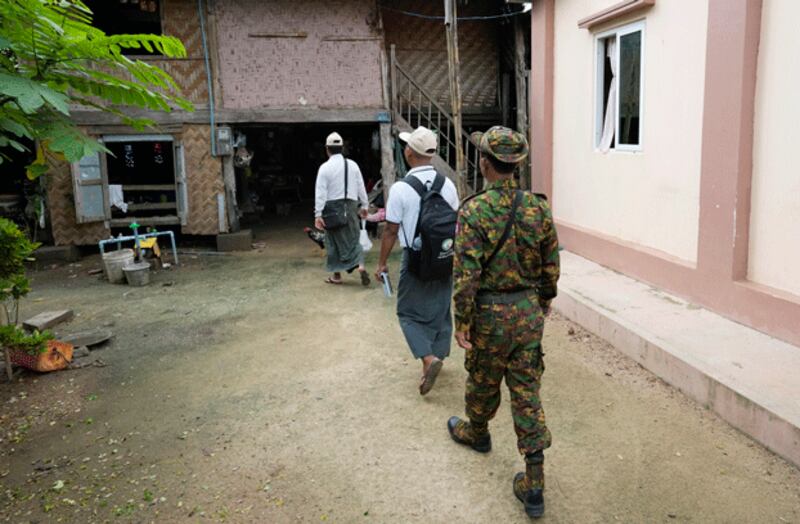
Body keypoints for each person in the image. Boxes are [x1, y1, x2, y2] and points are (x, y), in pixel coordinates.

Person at [446, 126, 560, 519]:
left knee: (482, 376)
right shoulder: (539, 208)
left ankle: (477, 432)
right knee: (527, 388)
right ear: (517, 165)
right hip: (527, 311)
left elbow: (466, 275)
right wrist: (542, 301)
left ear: (484, 163)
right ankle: (535, 481)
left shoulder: (474, 211)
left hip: (491, 315)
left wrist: (462, 321)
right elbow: (551, 266)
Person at [375, 126, 459, 395]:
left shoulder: (400, 188)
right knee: (441, 309)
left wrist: (382, 263)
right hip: (445, 256)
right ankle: (438, 356)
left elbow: (390, 230)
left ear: (409, 152)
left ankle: (427, 358)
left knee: (407, 313)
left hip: (415, 259)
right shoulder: (448, 184)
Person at [314, 132, 370, 286]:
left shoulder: (324, 168)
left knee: (332, 241)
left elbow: (320, 193)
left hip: (331, 208)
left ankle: (337, 276)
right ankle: (361, 266)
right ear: (342, 148)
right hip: (350, 205)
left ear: (327, 149)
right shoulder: (352, 165)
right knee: (354, 237)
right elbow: (361, 186)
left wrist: (318, 214)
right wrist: (364, 205)